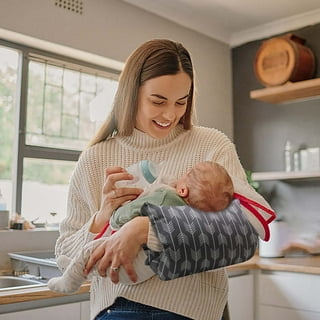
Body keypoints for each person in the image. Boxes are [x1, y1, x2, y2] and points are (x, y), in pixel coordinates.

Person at [55, 39, 275, 320]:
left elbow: (242, 238)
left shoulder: (211, 145)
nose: (170, 114)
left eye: (181, 102)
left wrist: (145, 228)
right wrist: (102, 217)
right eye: (158, 101)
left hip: (192, 311)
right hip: (119, 309)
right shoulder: (95, 159)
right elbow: (65, 258)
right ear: (131, 93)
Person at [49, 161, 234, 294]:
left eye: (188, 173)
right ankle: (76, 269)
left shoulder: (164, 196)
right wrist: (100, 215)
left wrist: (118, 218)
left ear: (183, 190)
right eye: (158, 103)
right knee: (98, 257)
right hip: (145, 270)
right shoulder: (187, 215)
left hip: (131, 265)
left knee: (92, 252)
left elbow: (129, 214)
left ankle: (71, 280)